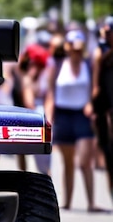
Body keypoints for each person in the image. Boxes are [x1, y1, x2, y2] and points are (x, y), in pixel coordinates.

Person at [44, 28, 104, 211]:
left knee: (85, 161)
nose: (76, 51)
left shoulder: (89, 64)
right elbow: (51, 93)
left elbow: (95, 87)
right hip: (63, 114)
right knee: (68, 162)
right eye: (73, 48)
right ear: (67, 47)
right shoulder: (58, 65)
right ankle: (68, 201)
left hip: (82, 115)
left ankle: (91, 202)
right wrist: (48, 116)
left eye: (79, 48)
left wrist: (90, 104)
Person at [19, 42, 51, 175]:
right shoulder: (24, 76)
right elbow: (28, 101)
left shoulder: (45, 77)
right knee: (21, 152)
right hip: (25, 115)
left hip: (41, 116)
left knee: (44, 161)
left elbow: (50, 97)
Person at [91, 16, 113, 200]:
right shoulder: (101, 51)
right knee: (108, 149)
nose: (106, 35)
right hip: (106, 107)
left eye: (108, 32)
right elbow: (96, 85)